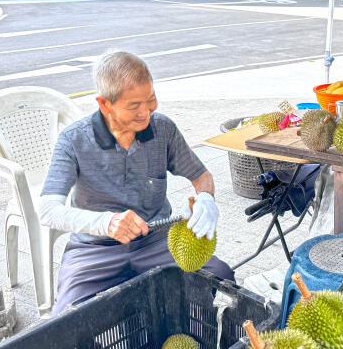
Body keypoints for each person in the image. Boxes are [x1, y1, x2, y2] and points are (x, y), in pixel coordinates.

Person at [40, 50, 233, 316]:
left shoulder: (163, 129)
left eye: (151, 100)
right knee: (65, 323)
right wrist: (105, 223)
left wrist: (206, 199)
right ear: (105, 104)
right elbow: (48, 210)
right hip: (95, 249)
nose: (146, 112)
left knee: (221, 276)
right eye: (134, 106)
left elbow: (201, 177)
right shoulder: (73, 140)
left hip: (156, 241)